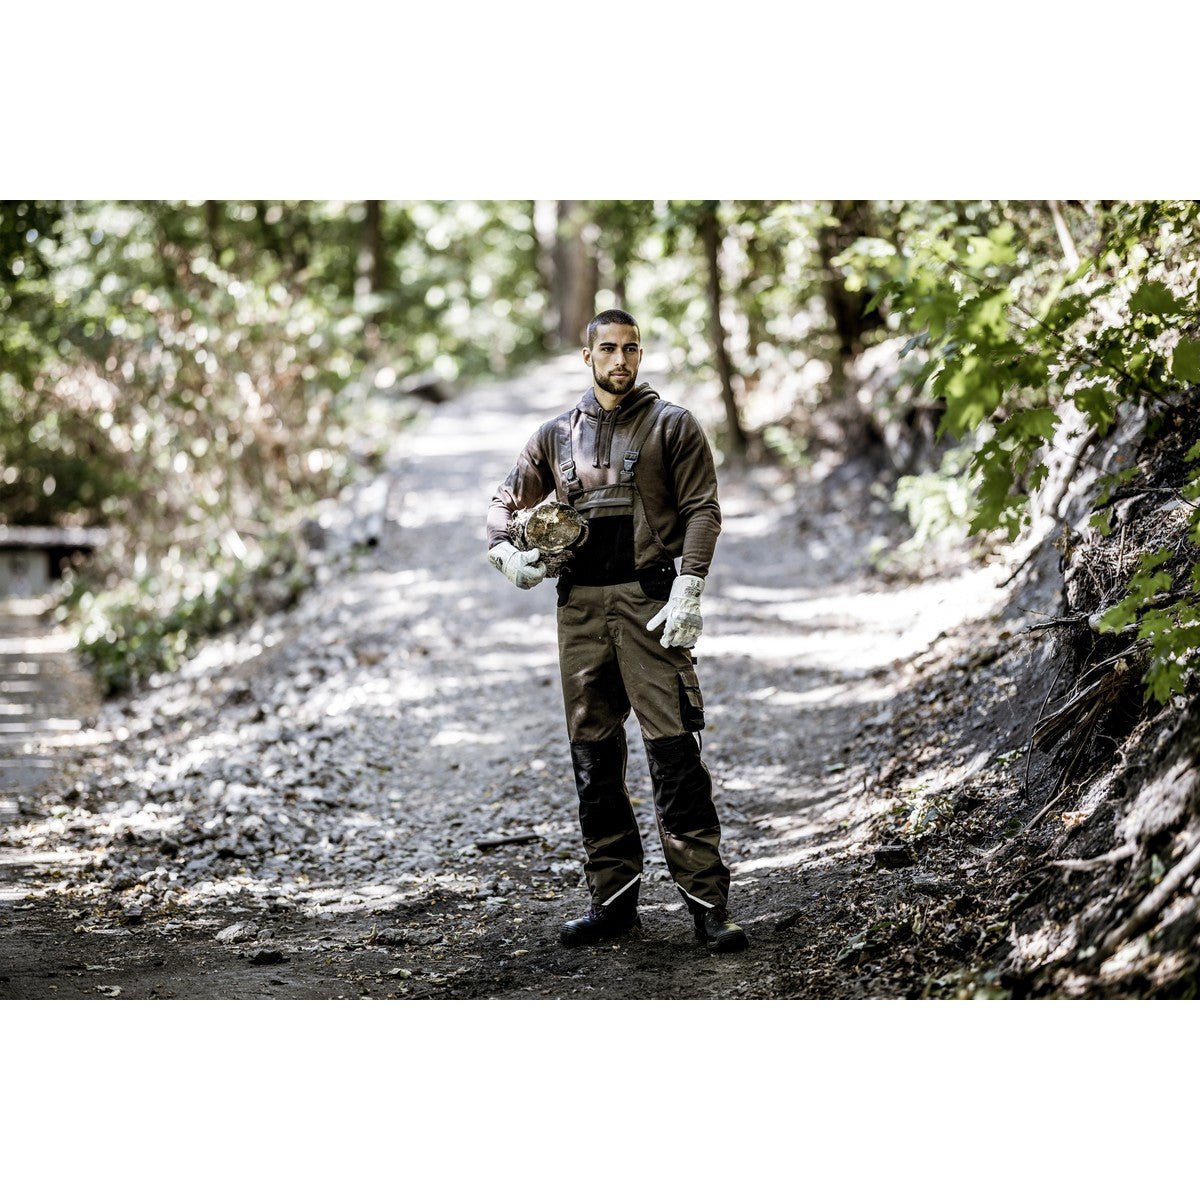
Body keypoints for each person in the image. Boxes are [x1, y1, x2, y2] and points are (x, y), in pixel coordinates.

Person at [485, 309, 748, 953]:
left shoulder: (673, 426)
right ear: (588, 356)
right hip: (579, 612)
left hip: (651, 606)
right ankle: (612, 902)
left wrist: (690, 585)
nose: (621, 360)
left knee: (675, 757)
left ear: (640, 353)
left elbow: (703, 510)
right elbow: (502, 505)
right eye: (608, 349)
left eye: (631, 348)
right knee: (594, 761)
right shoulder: (554, 436)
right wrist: (505, 552)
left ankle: (707, 907)